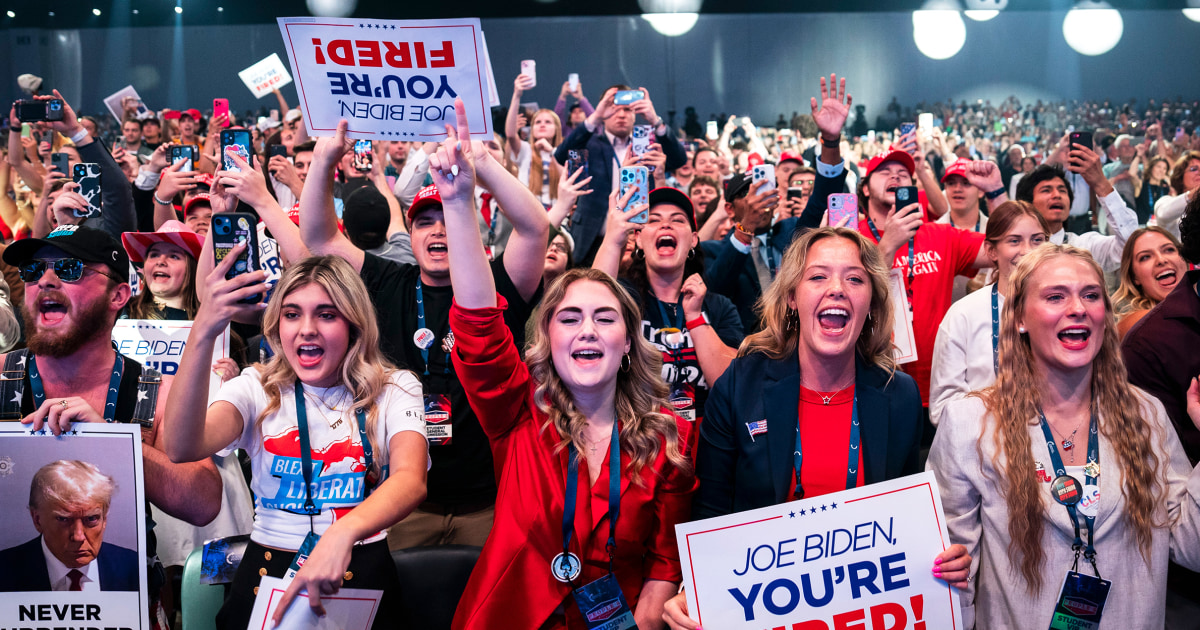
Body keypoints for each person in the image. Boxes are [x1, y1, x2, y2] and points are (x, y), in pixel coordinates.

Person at [426, 104, 695, 629]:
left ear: (627, 344)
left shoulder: (672, 436)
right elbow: (479, 329)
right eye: (569, 318)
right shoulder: (518, 412)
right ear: (548, 340)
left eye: (604, 318)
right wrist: (458, 203)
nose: (588, 330)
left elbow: (666, 558)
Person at [663, 227, 969, 630]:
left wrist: (943, 558)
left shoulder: (900, 395)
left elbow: (905, 520)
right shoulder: (743, 384)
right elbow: (711, 512)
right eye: (818, 276)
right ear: (792, 297)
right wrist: (695, 586)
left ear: (873, 303)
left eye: (855, 278)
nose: (837, 289)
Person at [299, 117, 548, 549]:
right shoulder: (387, 279)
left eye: (449, 218)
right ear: (409, 236)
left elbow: (535, 228)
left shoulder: (496, 282)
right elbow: (320, 239)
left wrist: (482, 161)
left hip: (488, 501)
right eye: (424, 222)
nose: (438, 230)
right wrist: (323, 160)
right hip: (402, 502)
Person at [930, 243, 1200, 629]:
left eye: (1091, 295)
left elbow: (1191, 548)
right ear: (1020, 317)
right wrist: (946, 567)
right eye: (1056, 296)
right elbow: (955, 578)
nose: (1078, 308)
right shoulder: (970, 423)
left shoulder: (1145, 414)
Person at [163, 253, 428, 630]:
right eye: (291, 314)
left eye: (326, 314)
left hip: (361, 569)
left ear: (354, 323)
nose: (306, 329)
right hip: (265, 573)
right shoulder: (257, 388)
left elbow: (411, 478)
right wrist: (204, 329)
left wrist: (342, 532)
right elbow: (180, 447)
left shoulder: (395, 387)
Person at [595, 186, 742, 446]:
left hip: (709, 444)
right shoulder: (624, 300)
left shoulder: (719, 307)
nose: (666, 226)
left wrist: (695, 317)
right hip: (637, 440)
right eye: (653, 220)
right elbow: (591, 303)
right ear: (638, 238)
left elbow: (731, 386)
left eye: (677, 220)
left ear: (694, 239)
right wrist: (614, 237)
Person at [929, 201, 1050, 426]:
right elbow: (942, 409)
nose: (1028, 251)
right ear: (991, 251)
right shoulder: (963, 315)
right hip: (985, 447)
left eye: (1037, 240)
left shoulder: (1064, 311)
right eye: (1014, 241)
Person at [554, 85, 687, 263]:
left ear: (635, 113)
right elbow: (562, 156)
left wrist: (655, 120)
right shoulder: (588, 144)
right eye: (614, 109)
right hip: (591, 239)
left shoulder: (646, 148)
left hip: (638, 240)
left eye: (627, 109)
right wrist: (595, 117)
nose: (621, 115)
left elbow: (679, 160)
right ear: (603, 111)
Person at [0, 460, 138, 592]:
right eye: (63, 519)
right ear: (37, 520)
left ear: (104, 518)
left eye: (91, 519)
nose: (78, 536)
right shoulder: (4, 570)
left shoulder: (133, 567)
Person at [1016, 154, 1138, 273]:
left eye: (1062, 190)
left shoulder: (1083, 247)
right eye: (1046, 190)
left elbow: (1130, 243)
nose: (1057, 195)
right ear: (1028, 203)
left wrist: (1101, 184)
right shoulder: (1016, 251)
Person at [936, 159, 1010, 302]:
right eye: (951, 183)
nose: (958, 189)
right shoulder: (934, 233)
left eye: (966, 183)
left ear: (981, 191)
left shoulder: (997, 229)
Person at [1112, 226, 1188, 338]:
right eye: (1145, 257)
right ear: (1134, 277)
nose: (1161, 260)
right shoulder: (1139, 323)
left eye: (1169, 249)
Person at [122, 220, 203, 320]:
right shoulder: (120, 312)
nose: (160, 261)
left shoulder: (213, 321)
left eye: (174, 256)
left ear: (191, 269)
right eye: (154, 255)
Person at [506, 75, 563, 206]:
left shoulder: (563, 152)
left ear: (557, 129)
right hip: (530, 212)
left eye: (548, 122)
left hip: (556, 214)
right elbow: (510, 134)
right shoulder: (526, 149)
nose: (542, 125)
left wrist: (552, 151)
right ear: (532, 129)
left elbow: (569, 179)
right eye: (537, 122)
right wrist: (516, 95)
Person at [1153, 150, 1200, 240]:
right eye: (1194, 169)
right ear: (1180, 177)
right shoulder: (1165, 201)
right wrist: (1193, 195)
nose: (1199, 172)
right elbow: (1164, 214)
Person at [1135, 156, 1171, 225]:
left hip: (1160, 227)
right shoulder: (1141, 184)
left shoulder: (1166, 189)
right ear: (1151, 168)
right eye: (1158, 167)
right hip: (1142, 226)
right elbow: (1131, 174)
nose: (1161, 171)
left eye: (1164, 168)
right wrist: (1139, 155)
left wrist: (1170, 185)